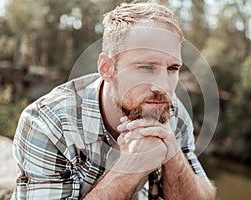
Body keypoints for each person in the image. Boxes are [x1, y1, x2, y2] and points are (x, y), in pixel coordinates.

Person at [11, 2, 216, 200]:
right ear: (107, 68)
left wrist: (173, 153)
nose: (163, 86)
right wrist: (128, 169)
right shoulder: (47, 122)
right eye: (146, 67)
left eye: (172, 68)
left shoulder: (171, 110)